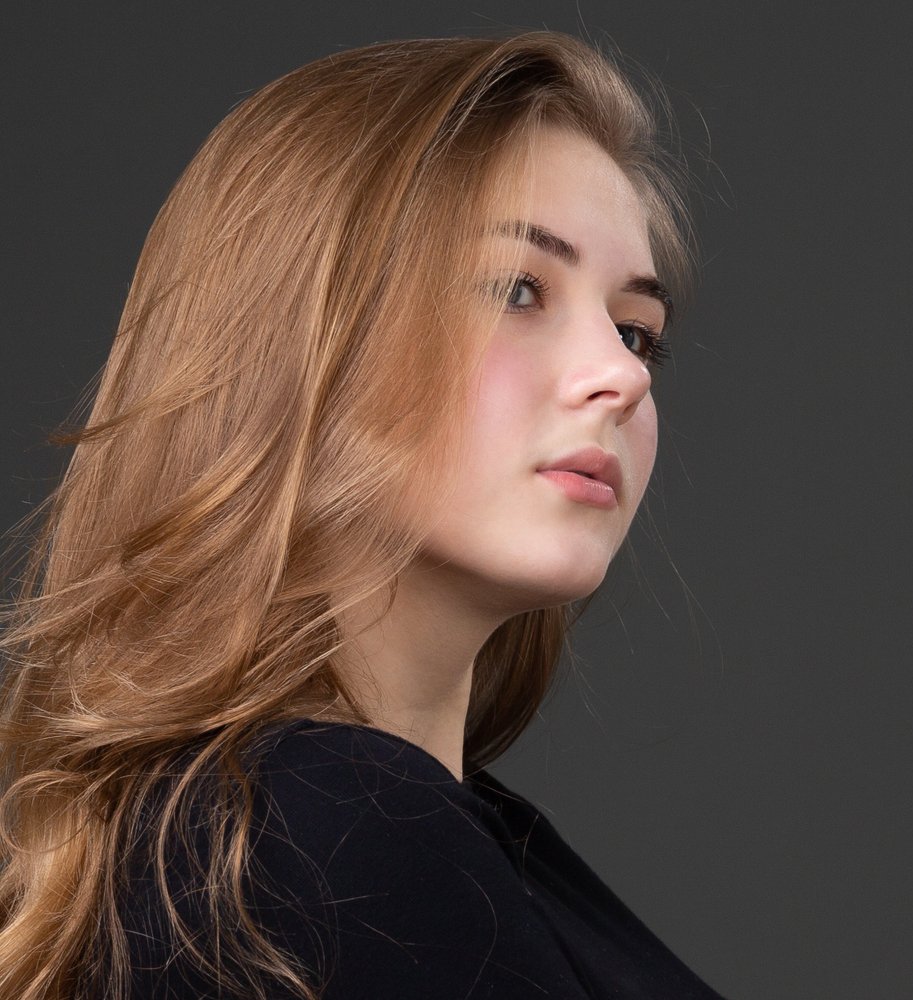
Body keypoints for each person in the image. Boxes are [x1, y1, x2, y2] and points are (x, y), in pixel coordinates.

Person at [0, 31, 728, 1000]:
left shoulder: (282, 831)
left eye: (636, 331)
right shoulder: (332, 839)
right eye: (519, 290)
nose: (622, 375)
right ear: (302, 340)